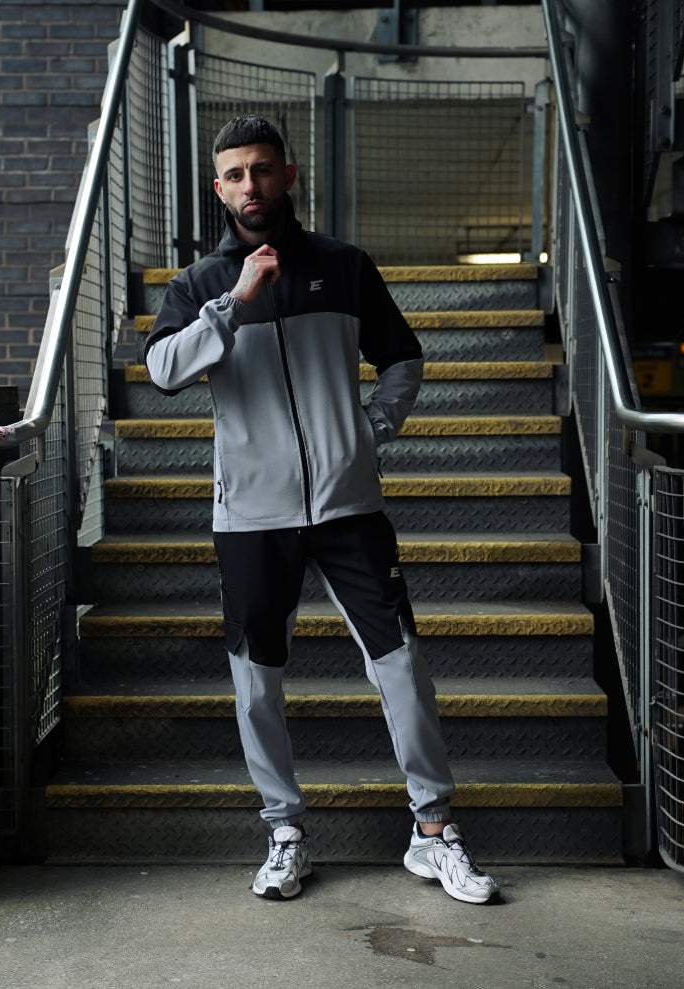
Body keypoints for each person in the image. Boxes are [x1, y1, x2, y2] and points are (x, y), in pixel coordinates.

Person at [145, 115, 499, 904]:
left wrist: (370, 433)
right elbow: (162, 369)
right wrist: (232, 303)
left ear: (288, 176)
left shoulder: (343, 266)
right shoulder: (199, 284)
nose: (250, 185)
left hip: (347, 505)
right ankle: (284, 829)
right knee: (256, 680)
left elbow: (402, 357)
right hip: (251, 516)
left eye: (262, 170)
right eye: (234, 174)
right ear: (218, 187)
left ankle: (432, 829)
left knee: (401, 663)